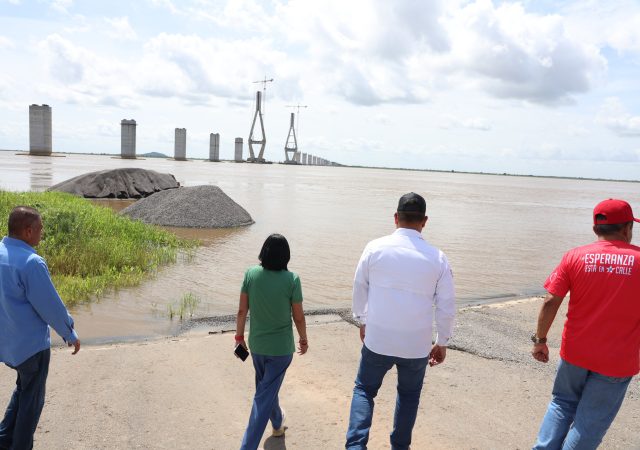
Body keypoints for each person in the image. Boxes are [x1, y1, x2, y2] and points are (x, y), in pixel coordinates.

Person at [345, 192, 456, 450]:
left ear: (395, 218)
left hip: (378, 338)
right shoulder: (437, 258)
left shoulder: (374, 248)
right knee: (408, 396)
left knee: (364, 390)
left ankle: (355, 446)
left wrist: (362, 320)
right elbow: (446, 305)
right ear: (425, 221)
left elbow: (359, 287)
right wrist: (442, 341)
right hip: (415, 345)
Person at [531, 198, 640, 449]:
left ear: (595, 229)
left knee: (561, 403)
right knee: (590, 421)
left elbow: (550, 301)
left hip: (575, 354)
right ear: (626, 229)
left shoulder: (574, 256)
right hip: (617, 360)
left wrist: (540, 341)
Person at [0, 206, 80, 450]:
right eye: (40, 229)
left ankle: (4, 439)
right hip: (31, 347)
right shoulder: (31, 263)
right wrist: (69, 333)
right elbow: (50, 306)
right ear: (27, 231)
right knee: (32, 401)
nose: (42, 233)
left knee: (24, 388)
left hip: (8, 344)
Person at [235, 233, 308, 450]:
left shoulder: (251, 274)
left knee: (266, 389)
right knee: (263, 396)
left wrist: (239, 337)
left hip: (257, 347)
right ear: (286, 256)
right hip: (281, 350)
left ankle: (277, 424)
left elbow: (241, 311)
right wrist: (303, 339)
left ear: (263, 252)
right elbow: (299, 316)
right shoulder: (292, 279)